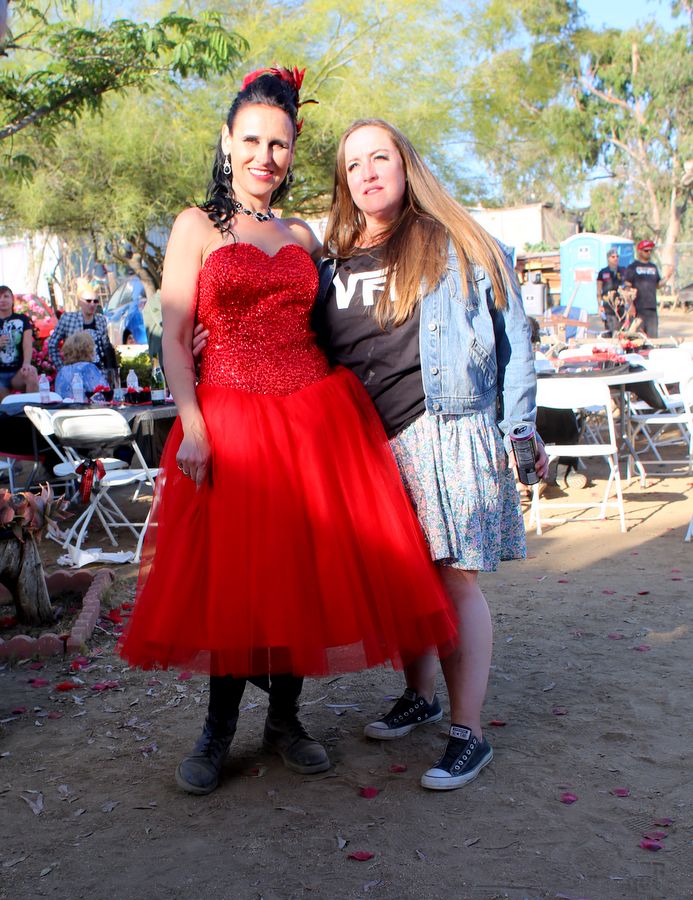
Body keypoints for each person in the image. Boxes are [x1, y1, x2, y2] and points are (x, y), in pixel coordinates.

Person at [118, 69, 458, 797]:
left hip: (311, 418)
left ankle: (285, 721)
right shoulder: (194, 226)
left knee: (296, 573)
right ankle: (217, 731)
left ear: (292, 150)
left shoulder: (304, 234)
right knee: (234, 580)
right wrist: (194, 426)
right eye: (251, 141)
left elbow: (335, 321)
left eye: (278, 144)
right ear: (227, 142)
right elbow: (173, 337)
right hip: (230, 420)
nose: (264, 156)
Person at [313, 119, 549, 791]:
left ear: (405, 163)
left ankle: (469, 733)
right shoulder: (332, 260)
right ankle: (419, 696)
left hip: (441, 427)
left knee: (450, 579)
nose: (366, 172)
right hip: (365, 441)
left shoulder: (456, 242)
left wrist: (519, 429)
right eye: (353, 164)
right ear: (344, 182)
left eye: (379, 157)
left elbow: (513, 337)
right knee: (401, 575)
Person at [47, 281, 115, 374]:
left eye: (95, 301)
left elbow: (106, 347)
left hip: (99, 372)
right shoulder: (68, 318)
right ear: (80, 302)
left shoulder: (101, 320)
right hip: (76, 372)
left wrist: (110, 370)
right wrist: (62, 369)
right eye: (88, 301)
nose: (92, 304)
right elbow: (52, 345)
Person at [0, 285, 40, 400]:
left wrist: (26, 363)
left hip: (17, 373)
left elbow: (27, 344)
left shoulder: (22, 319)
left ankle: (33, 408)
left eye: (6, 296)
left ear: (12, 300)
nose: (2, 300)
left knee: (31, 372)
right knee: (7, 405)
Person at [624, 240, 662, 338]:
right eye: (646, 250)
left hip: (651, 308)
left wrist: (667, 277)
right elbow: (627, 287)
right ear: (639, 251)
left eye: (650, 250)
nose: (649, 252)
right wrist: (631, 305)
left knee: (652, 338)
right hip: (637, 309)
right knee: (637, 338)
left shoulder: (653, 267)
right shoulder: (632, 267)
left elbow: (658, 285)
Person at [54, 332, 104, 399]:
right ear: (88, 349)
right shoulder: (88, 368)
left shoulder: (62, 371)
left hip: (64, 405)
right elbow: (102, 392)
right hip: (84, 405)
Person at [596, 248, 627, 335]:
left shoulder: (623, 270)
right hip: (608, 305)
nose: (615, 258)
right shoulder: (602, 272)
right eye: (613, 257)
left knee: (622, 331)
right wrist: (599, 305)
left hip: (621, 304)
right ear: (608, 258)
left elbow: (628, 286)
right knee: (611, 329)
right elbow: (598, 290)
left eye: (617, 256)